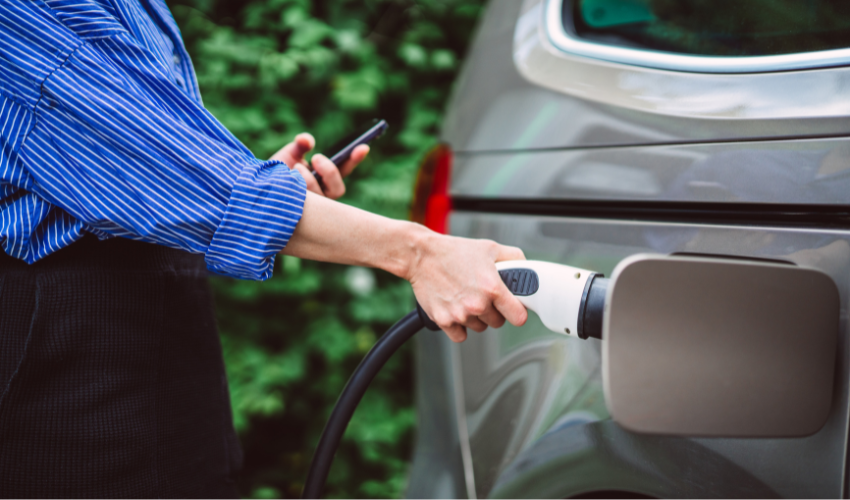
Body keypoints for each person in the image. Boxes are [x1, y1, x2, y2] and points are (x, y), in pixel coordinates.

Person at [0, 0, 527, 497]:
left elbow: (162, 167)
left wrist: (269, 191)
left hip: (154, 332)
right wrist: (419, 252)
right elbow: (166, 168)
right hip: (65, 358)